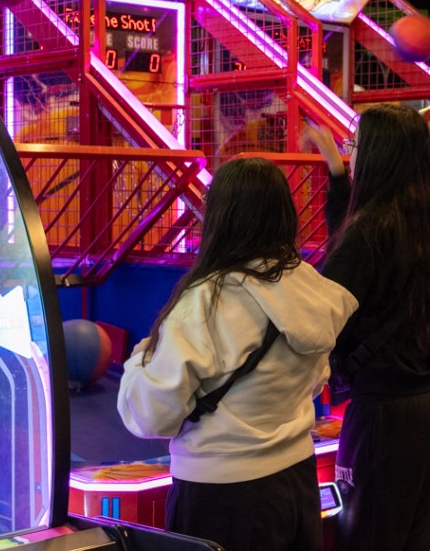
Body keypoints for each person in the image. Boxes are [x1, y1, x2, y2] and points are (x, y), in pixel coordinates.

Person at [116, 157, 358, 550]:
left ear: (220, 217)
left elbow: (149, 415)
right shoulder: (309, 285)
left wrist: (140, 358)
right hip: (295, 482)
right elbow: (316, 382)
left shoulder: (206, 300)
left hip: (220, 493)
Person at [305, 104, 430, 551]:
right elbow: (353, 247)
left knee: (368, 539)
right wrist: (337, 173)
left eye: (355, 145)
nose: (350, 152)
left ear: (377, 154)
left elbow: (325, 306)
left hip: (386, 416)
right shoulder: (427, 219)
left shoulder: (372, 229)